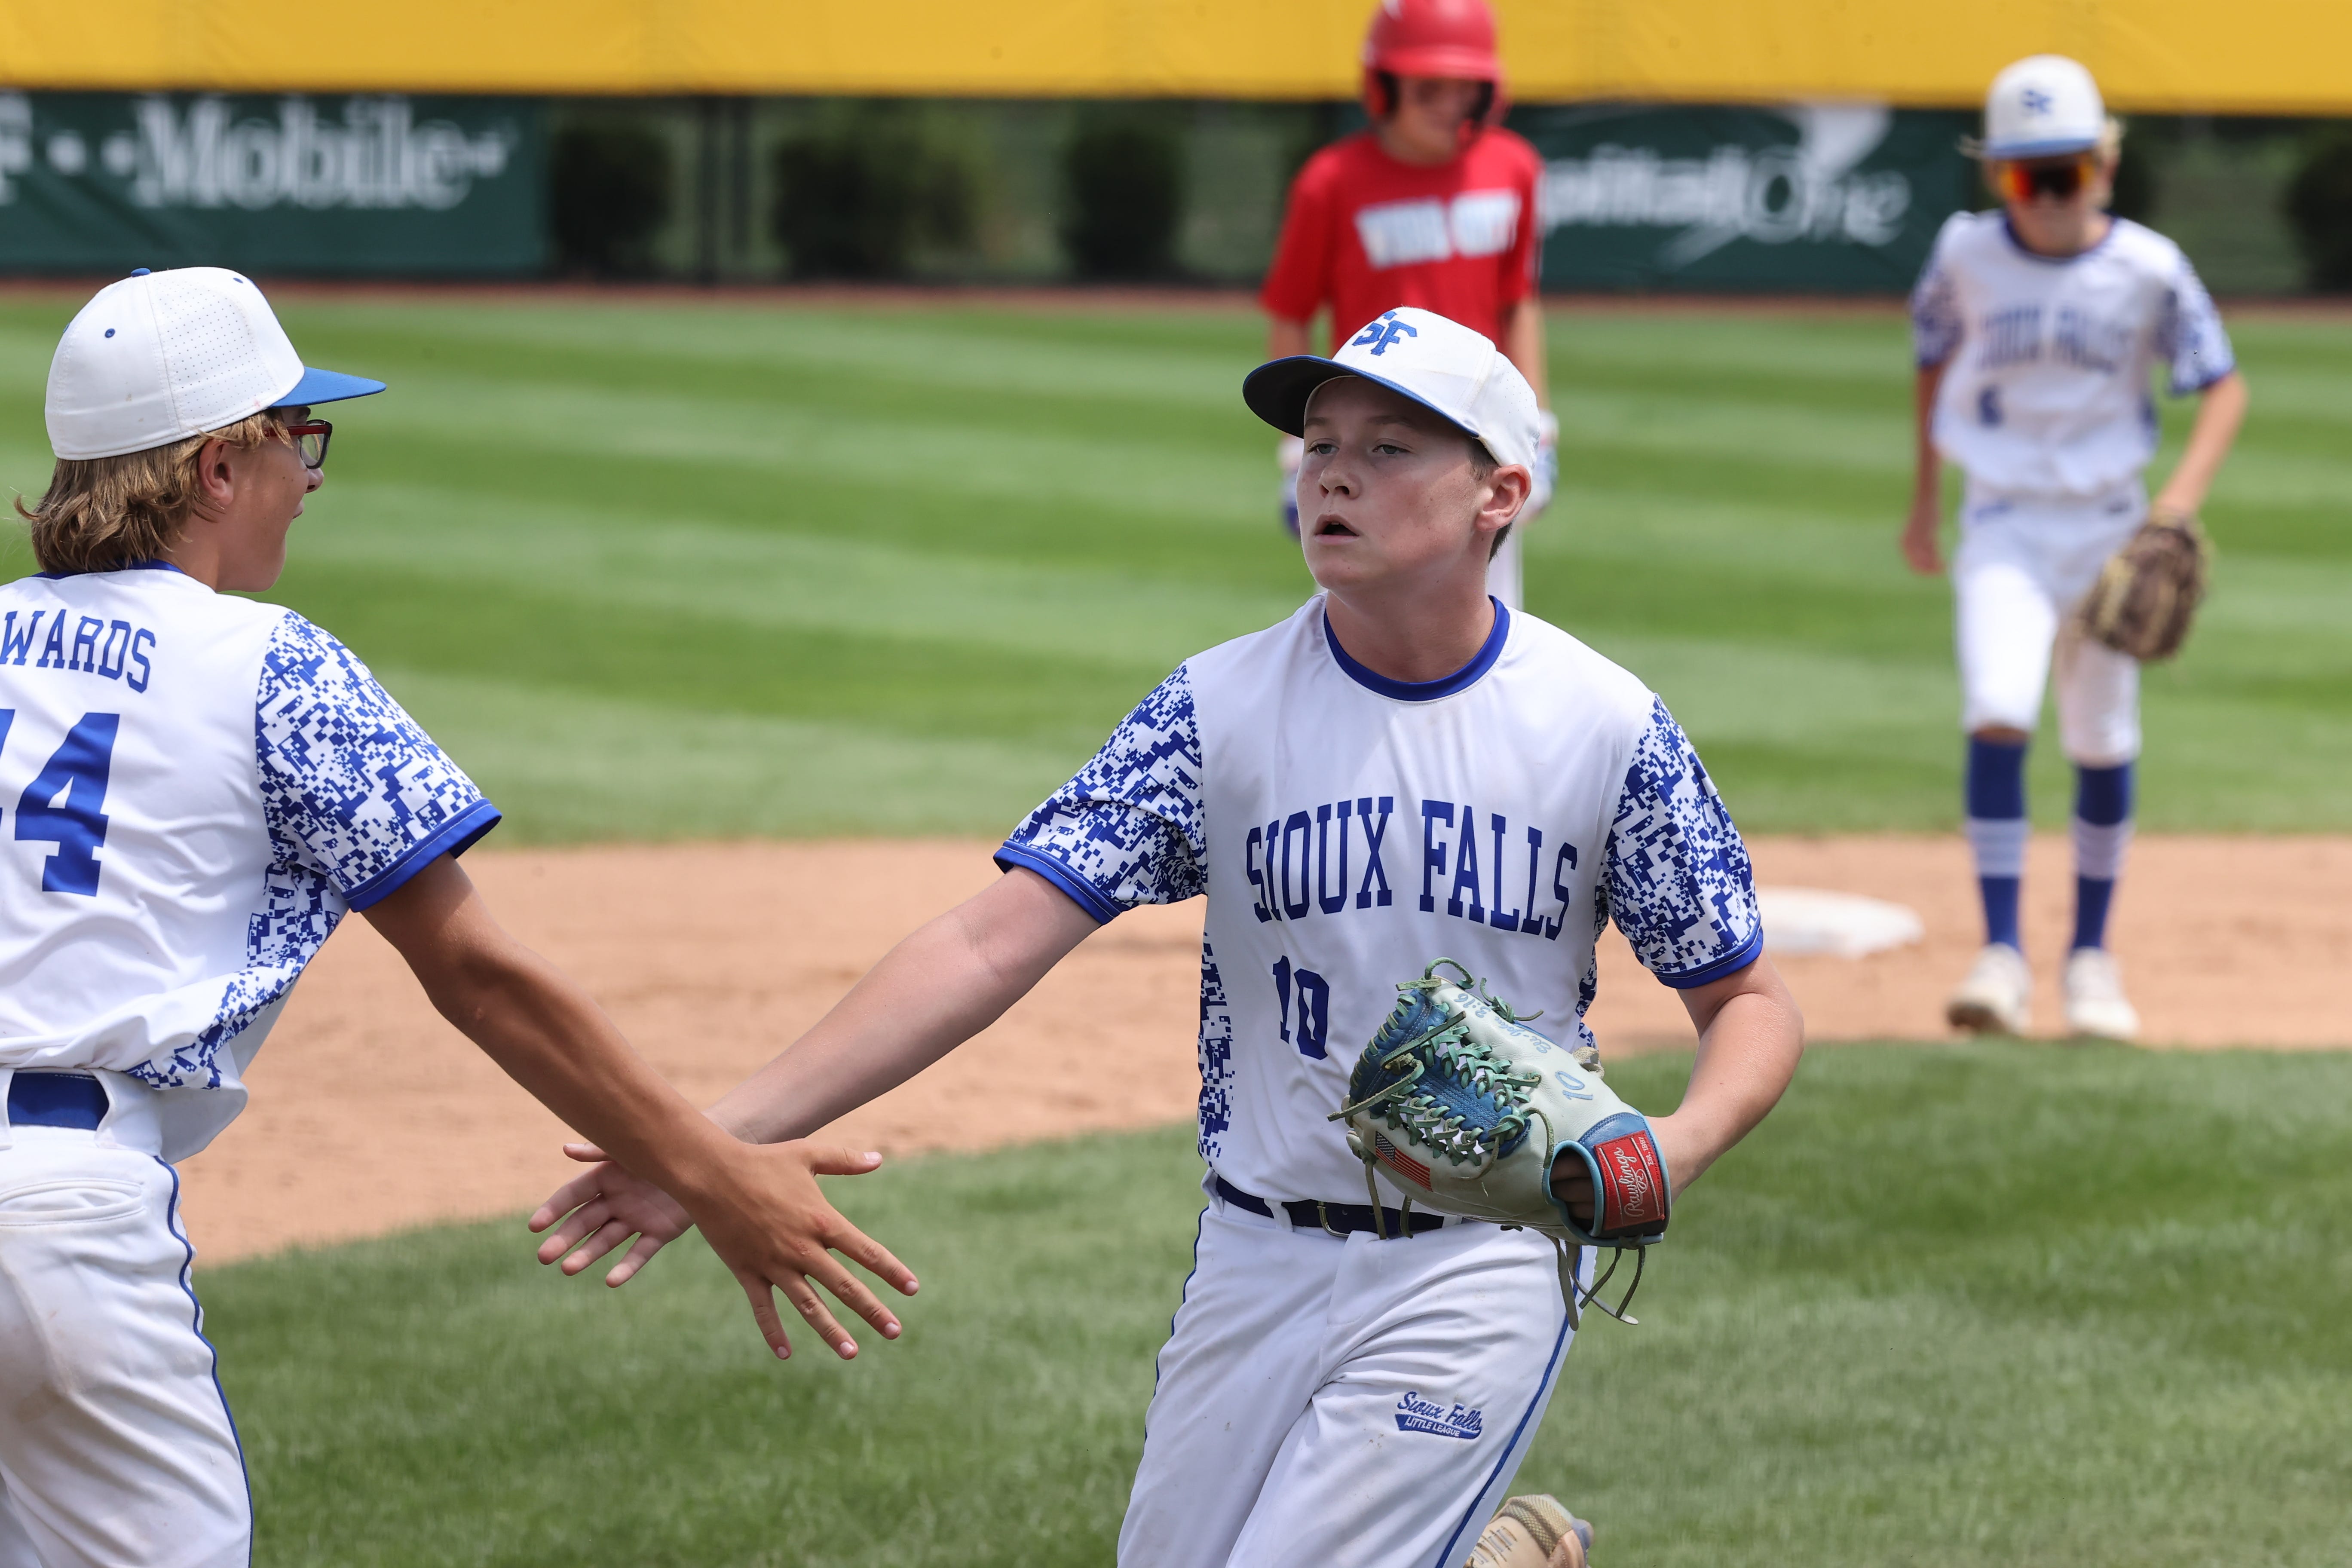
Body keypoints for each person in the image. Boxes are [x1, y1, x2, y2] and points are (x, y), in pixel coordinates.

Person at [529, 307, 1804, 1566]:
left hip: (1479, 1267)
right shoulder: (1215, 711)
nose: (1335, 473)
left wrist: (1678, 1147)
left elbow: (1748, 997)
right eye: (1319, 443)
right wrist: (707, 1144)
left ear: (1501, 492)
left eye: (1391, 447)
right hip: (1254, 1250)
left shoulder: (1604, 727)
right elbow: (989, 943)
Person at [0, 267, 915, 1568]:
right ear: (214, 468)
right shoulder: (273, 667)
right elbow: (480, 974)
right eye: (292, 439)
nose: (309, 476)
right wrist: (715, 1177)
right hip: (60, 1224)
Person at [1904, 55, 2248, 1040]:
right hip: (2004, 520)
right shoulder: (1965, 255)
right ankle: (2002, 955)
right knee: (1999, 710)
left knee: (2102, 739)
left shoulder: (2147, 266)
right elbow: (1931, 360)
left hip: (2108, 528)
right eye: (2027, 175)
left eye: (2068, 171)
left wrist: (2173, 509)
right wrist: (1925, 502)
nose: (2050, 195)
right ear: (1995, 176)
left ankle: (2091, 961)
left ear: (2104, 164)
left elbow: (2222, 381)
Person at [1259, 0, 1556, 611]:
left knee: (1485, 625)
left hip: (1480, 426)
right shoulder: (1331, 181)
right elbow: (1291, 309)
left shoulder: (1514, 169)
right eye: (1430, 88)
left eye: (1465, 89)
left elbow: (1518, 302)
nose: (1450, 104)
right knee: (1358, 622)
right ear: (1385, 86)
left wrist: (1540, 430)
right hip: (1371, 428)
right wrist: (1301, 449)